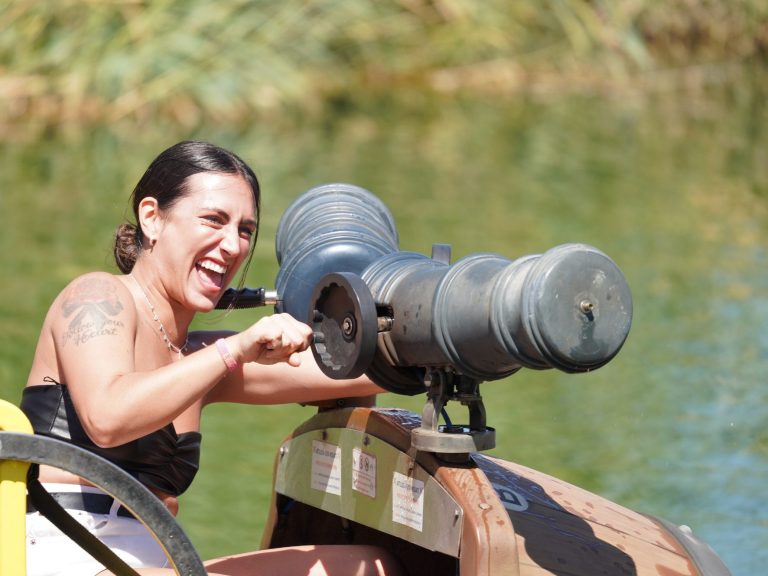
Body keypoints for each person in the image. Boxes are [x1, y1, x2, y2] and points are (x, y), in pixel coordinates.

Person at [20, 141, 402, 576]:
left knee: (372, 565)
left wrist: (429, 329)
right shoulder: (96, 296)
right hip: (58, 549)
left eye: (243, 230)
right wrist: (234, 349)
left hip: (155, 559)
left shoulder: (199, 356)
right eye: (213, 221)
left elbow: (361, 371)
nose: (232, 246)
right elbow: (107, 419)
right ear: (152, 218)